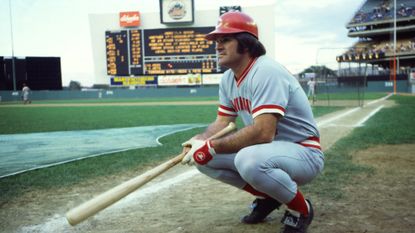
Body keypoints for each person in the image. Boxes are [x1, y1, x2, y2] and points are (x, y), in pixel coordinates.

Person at [181, 12, 324, 233]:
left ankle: (300, 210)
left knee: (248, 159)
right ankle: (270, 197)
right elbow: (223, 121)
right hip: (268, 151)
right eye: (217, 41)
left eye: (225, 40)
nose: (217, 46)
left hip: (303, 152)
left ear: (246, 44)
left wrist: (212, 146)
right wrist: (200, 140)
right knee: (204, 160)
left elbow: (263, 133)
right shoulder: (229, 78)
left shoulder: (265, 70)